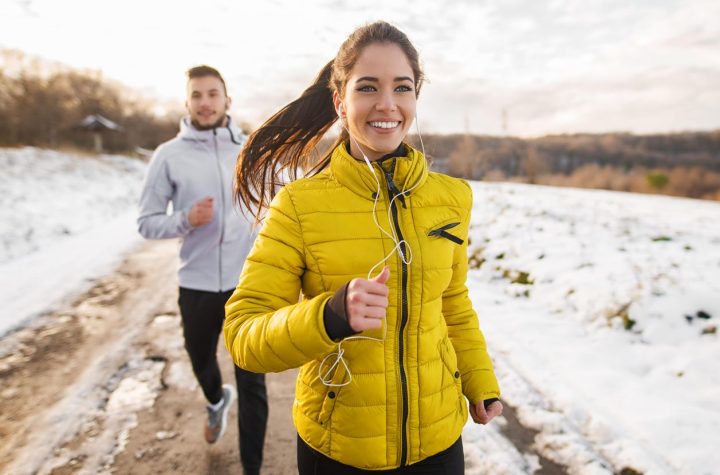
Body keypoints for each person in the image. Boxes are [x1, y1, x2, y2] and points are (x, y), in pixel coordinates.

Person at [225, 21, 502, 474]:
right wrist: (329, 315)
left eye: (403, 87)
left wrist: (479, 379)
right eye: (368, 87)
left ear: (416, 98)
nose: (387, 104)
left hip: (438, 442)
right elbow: (242, 337)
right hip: (338, 450)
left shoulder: (453, 197)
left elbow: (452, 301)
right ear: (340, 101)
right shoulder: (298, 206)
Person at [137, 65, 267, 475]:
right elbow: (146, 221)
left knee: (253, 383)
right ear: (187, 102)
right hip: (195, 284)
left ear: (228, 100)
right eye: (197, 95)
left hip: (247, 285)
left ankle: (252, 468)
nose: (205, 102)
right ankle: (215, 400)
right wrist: (185, 220)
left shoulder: (251, 149)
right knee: (201, 361)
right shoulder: (168, 156)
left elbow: (274, 206)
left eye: (213, 94)